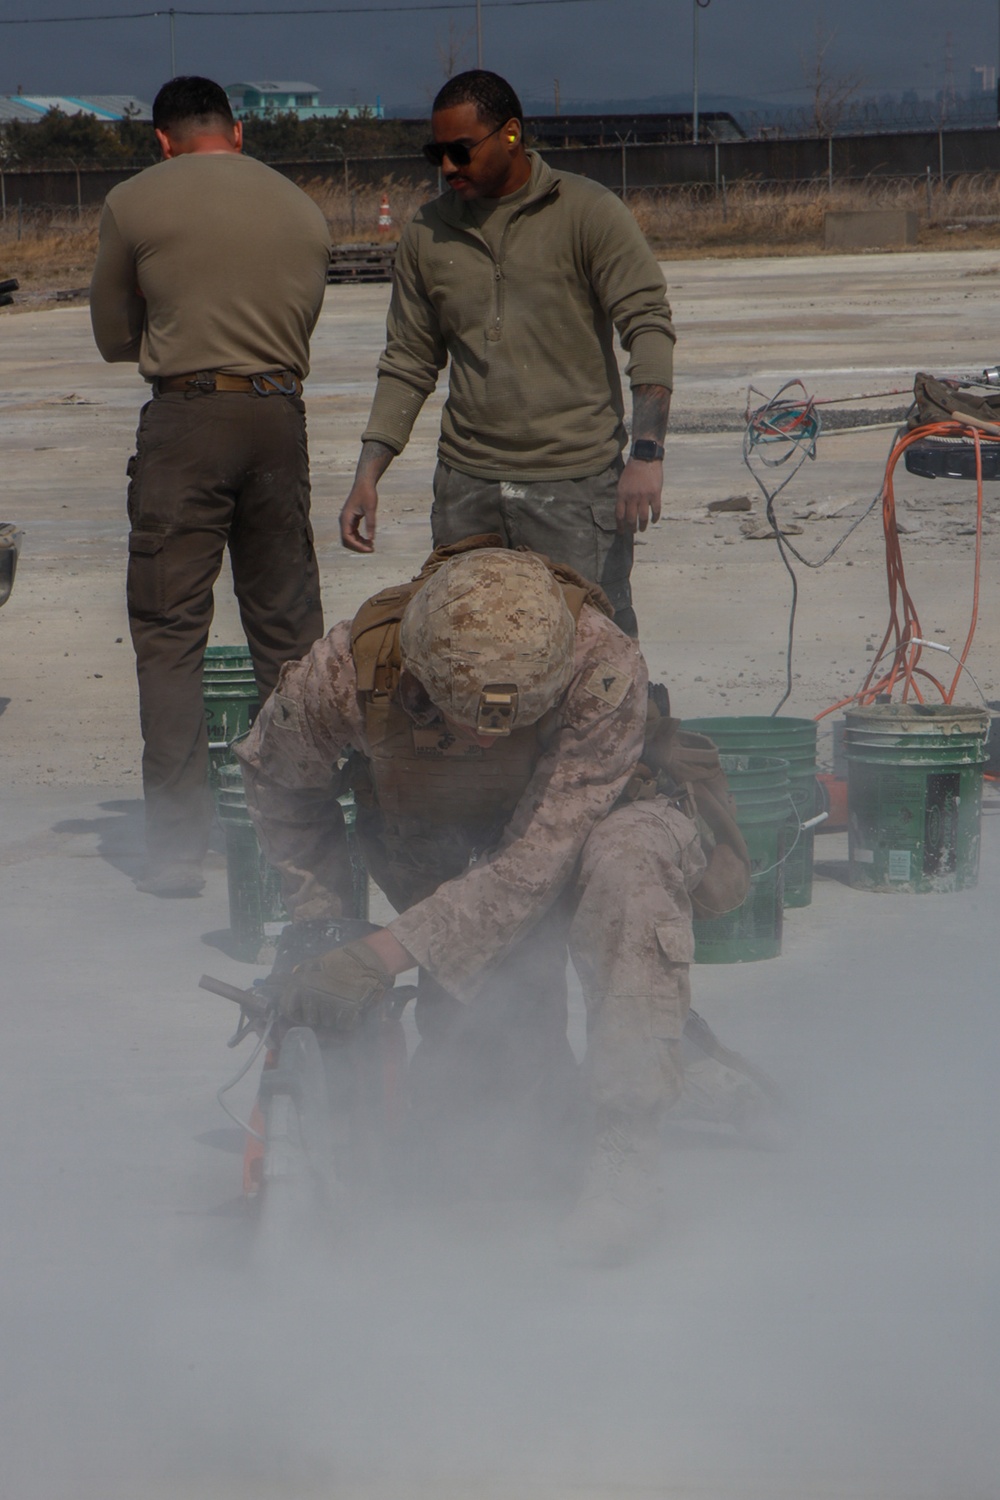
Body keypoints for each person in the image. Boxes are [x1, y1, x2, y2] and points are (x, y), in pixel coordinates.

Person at [236, 538, 760, 1265]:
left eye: (506, 722)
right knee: (488, 1140)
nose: (486, 736)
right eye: (468, 718)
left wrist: (383, 953)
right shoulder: (349, 672)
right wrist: (326, 928)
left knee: (626, 864)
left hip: (593, 833)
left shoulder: (601, 667)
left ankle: (625, 1152)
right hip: (452, 847)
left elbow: (534, 863)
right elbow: (278, 782)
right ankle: (663, 1062)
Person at [90, 75, 331, 896]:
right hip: (279, 418)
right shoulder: (299, 205)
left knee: (169, 635)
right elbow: (300, 323)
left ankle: (178, 850)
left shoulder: (134, 200)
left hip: (186, 422)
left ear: (162, 138)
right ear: (237, 130)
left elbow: (113, 337)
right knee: (289, 636)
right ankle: (299, 833)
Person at [339, 69, 675, 638]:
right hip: (467, 492)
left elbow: (647, 326)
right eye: (436, 153)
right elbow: (408, 360)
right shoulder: (427, 232)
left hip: (574, 489)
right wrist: (367, 474)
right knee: (466, 660)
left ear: (512, 134)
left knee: (590, 654)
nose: (447, 167)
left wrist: (646, 454)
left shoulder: (587, 212)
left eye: (461, 150)